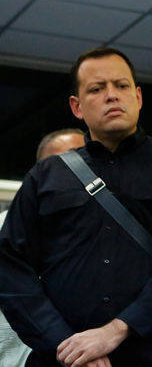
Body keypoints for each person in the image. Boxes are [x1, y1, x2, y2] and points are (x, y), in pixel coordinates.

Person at [0, 47, 152, 367]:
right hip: (64, 360)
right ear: (77, 106)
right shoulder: (45, 176)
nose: (112, 95)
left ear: (138, 97)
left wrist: (116, 330)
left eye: (122, 85)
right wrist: (65, 344)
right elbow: (9, 268)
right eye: (97, 88)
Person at [0, 129, 86, 367]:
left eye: (86, 163)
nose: (80, 172)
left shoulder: (104, 238)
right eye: (65, 162)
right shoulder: (4, 226)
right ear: (39, 171)